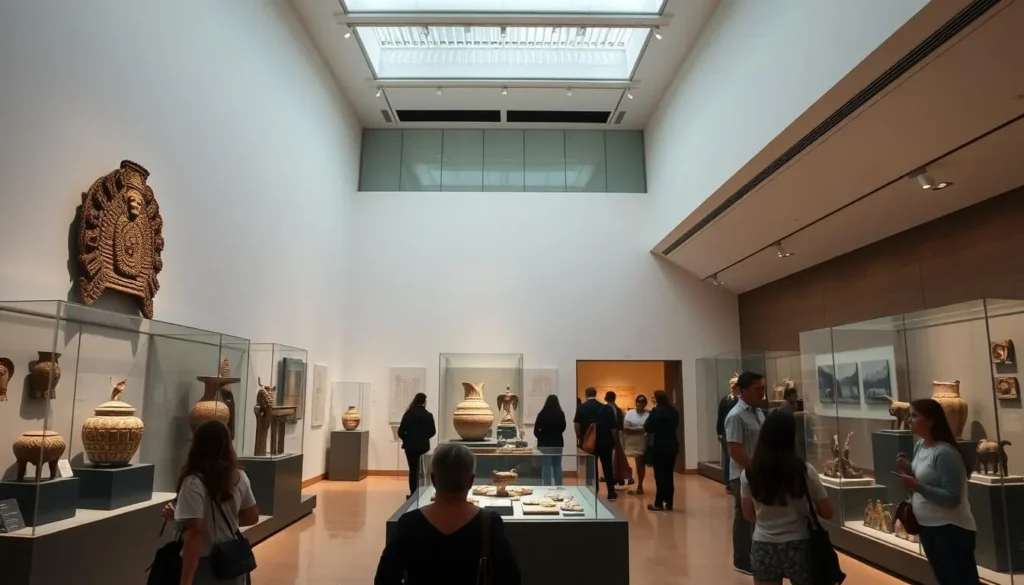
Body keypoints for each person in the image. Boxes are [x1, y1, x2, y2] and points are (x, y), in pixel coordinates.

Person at [374, 443, 521, 585]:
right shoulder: (489, 523)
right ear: (471, 481)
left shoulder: (409, 523)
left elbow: (385, 579)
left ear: (433, 479)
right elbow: (510, 578)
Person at [741, 412, 834, 585]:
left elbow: (748, 514)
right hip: (798, 543)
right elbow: (827, 512)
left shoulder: (749, 473)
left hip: (763, 542)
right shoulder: (805, 471)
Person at [162, 420, 259, 585]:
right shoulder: (239, 477)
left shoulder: (193, 483)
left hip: (205, 564)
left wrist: (185, 581)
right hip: (232, 561)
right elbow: (251, 516)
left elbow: (195, 534)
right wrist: (222, 525)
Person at [894, 399, 978, 585]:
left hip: (950, 529)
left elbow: (952, 497)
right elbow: (927, 477)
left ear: (931, 421)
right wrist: (908, 468)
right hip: (928, 526)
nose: (909, 420)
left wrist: (915, 485)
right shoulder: (920, 446)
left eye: (914, 416)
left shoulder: (945, 453)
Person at [724, 371, 766, 575]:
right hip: (742, 475)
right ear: (743, 391)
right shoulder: (735, 416)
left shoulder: (758, 413)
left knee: (758, 515)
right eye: (757, 389)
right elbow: (735, 451)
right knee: (743, 516)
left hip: (758, 472)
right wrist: (754, 470)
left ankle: (756, 555)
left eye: (762, 388)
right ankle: (741, 559)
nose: (762, 393)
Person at [643, 390, 679, 511]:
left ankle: (658, 503)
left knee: (660, 475)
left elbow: (647, 426)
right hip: (672, 445)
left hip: (659, 446)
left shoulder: (656, 411)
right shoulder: (673, 411)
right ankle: (669, 502)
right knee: (669, 475)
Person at [398, 392, 436, 498]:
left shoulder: (408, 414)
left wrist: (407, 439)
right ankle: (422, 492)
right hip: (423, 446)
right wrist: (424, 438)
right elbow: (433, 431)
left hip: (410, 447)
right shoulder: (428, 415)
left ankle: (413, 494)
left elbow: (401, 431)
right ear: (424, 402)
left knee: (413, 470)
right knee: (422, 471)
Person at [533, 394, 567, 485]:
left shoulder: (542, 414)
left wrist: (541, 437)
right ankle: (559, 486)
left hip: (544, 444)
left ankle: (547, 486)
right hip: (557, 443)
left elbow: (536, 430)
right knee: (557, 466)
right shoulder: (560, 414)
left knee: (545, 466)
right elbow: (563, 428)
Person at [622, 394, 650, 495]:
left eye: (643, 401)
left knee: (640, 465)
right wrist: (642, 429)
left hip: (642, 443)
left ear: (645, 403)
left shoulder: (648, 415)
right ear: (636, 403)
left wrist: (633, 429)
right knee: (628, 463)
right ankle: (628, 482)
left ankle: (640, 485)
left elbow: (649, 429)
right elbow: (626, 428)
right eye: (639, 401)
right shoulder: (630, 413)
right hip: (629, 443)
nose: (640, 403)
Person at [717, 375, 740, 491]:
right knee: (727, 457)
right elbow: (720, 417)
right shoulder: (726, 400)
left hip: (737, 431)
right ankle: (728, 482)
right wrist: (719, 432)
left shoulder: (740, 401)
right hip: (726, 432)